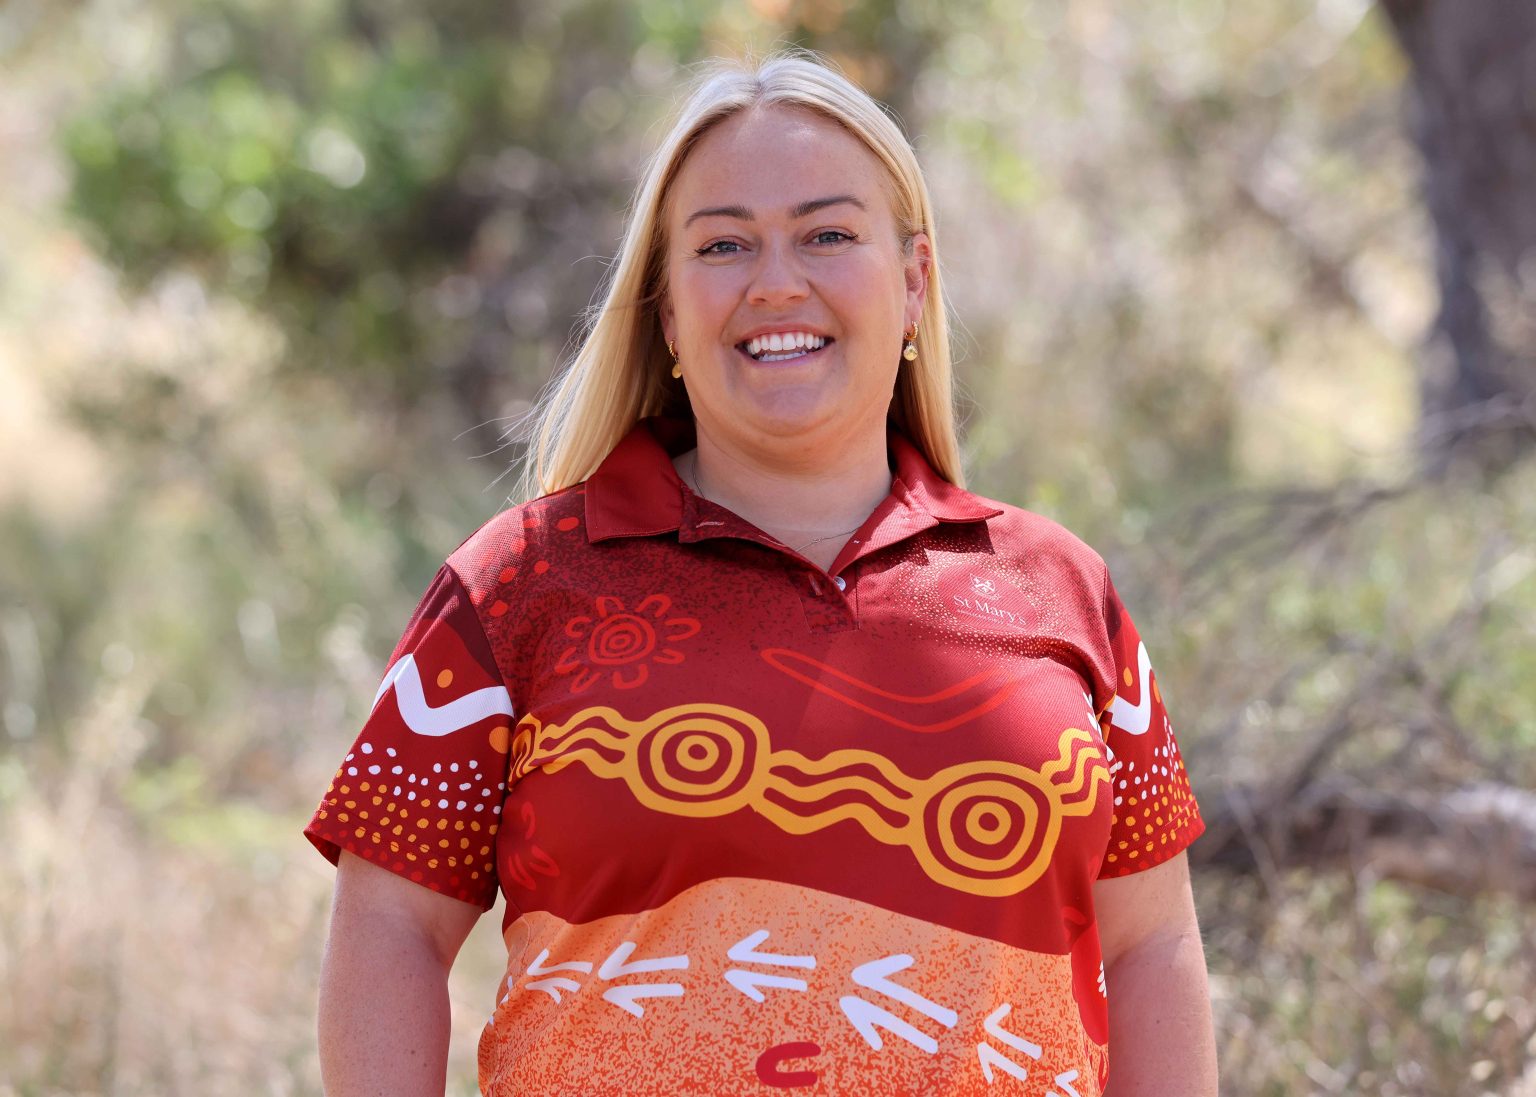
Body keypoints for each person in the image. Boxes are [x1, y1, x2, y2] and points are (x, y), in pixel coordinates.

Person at [306, 49, 1218, 1097]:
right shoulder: (518, 584)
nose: (777, 281)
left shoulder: (1060, 588)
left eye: (828, 234)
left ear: (915, 283)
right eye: (724, 244)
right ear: (665, 312)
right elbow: (387, 925)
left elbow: (1152, 944)